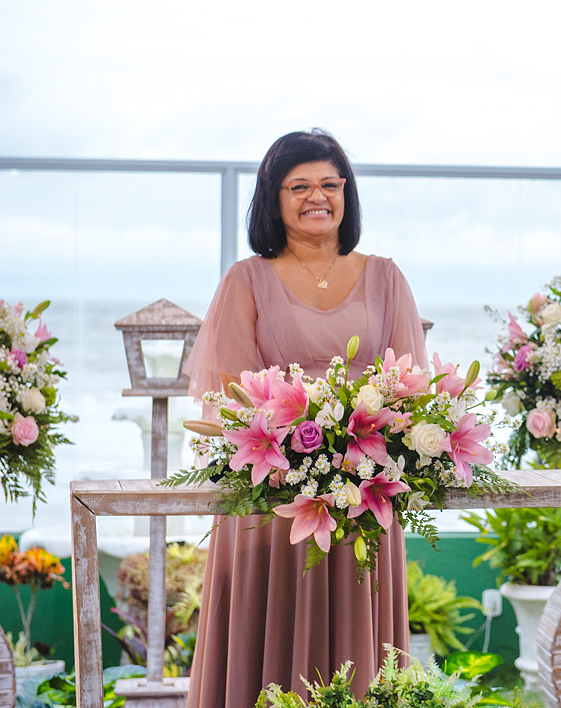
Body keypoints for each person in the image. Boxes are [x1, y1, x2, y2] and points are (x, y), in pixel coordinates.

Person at [183, 129, 429, 707]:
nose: (316, 196)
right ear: (273, 198)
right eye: (299, 186)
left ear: (347, 194)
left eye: (328, 184)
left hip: (363, 497)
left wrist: (355, 457)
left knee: (358, 655)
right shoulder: (246, 280)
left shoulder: (386, 277)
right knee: (263, 650)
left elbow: (408, 390)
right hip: (270, 498)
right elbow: (231, 396)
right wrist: (300, 455)